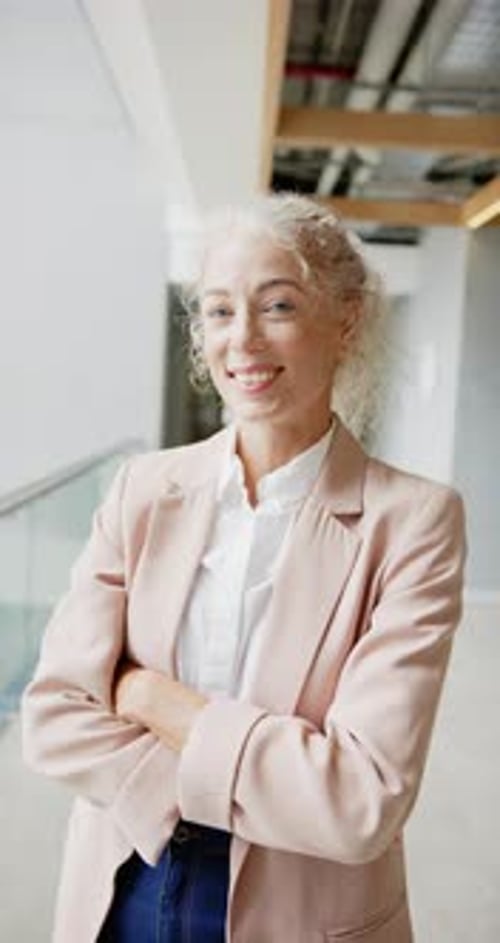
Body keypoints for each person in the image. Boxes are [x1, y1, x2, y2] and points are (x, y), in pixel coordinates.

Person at [22, 194, 466, 943]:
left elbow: (358, 801)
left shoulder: (414, 520)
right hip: (127, 872)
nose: (243, 341)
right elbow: (53, 716)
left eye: (279, 305)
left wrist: (150, 695)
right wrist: (222, 784)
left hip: (302, 907)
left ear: (346, 319)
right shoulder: (142, 489)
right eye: (220, 311)